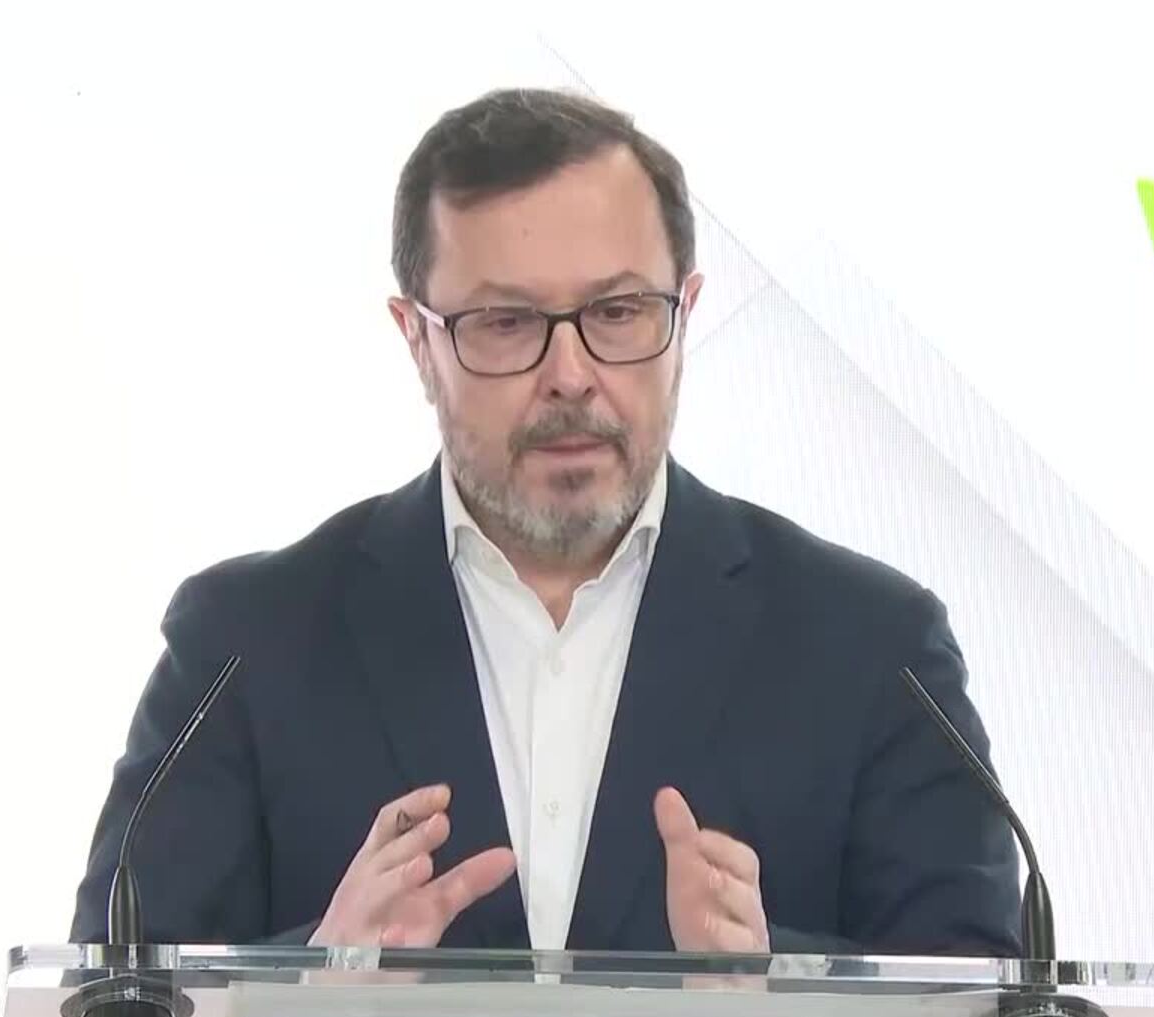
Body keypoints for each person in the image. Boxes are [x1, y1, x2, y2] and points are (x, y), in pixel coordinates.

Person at [70, 87, 1020, 956]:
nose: (571, 375)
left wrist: (780, 990)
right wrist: (311, 979)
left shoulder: (872, 648)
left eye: (619, 311)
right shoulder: (245, 645)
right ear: (417, 340)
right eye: (507, 324)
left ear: (684, 315)